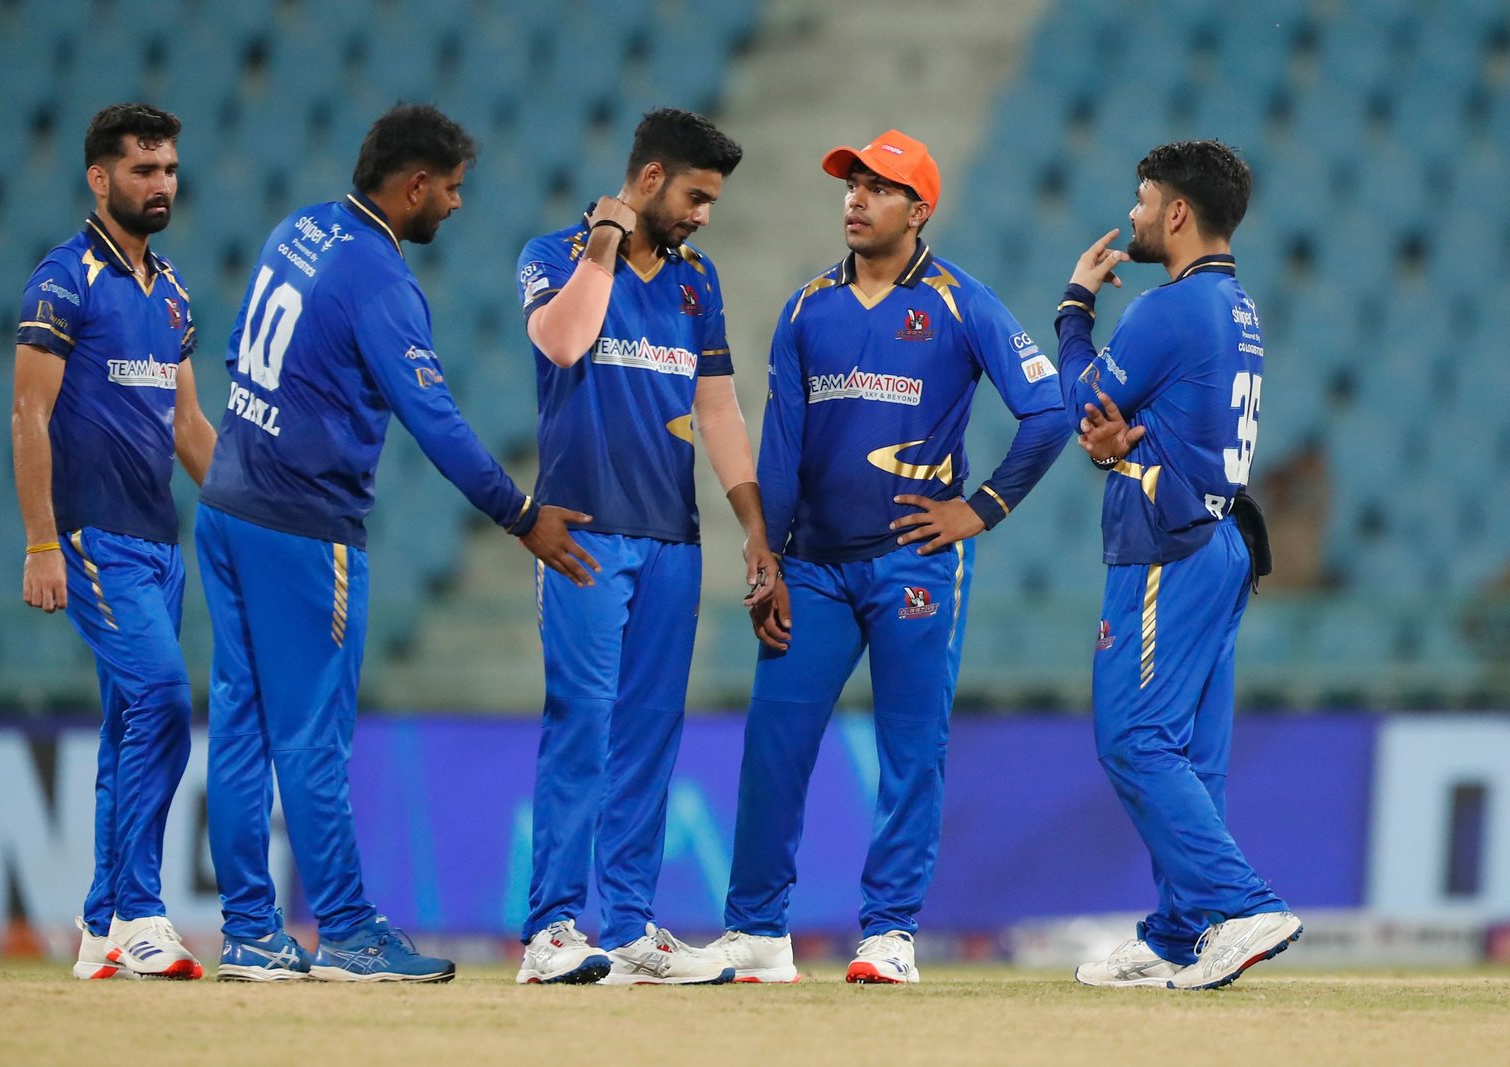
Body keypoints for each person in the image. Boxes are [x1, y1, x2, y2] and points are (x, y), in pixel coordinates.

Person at [196, 104, 594, 983]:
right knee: (309, 734)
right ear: (414, 184)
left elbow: (236, 355)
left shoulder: (298, 228)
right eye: (450, 189)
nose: (454, 205)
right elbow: (436, 421)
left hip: (227, 503)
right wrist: (520, 513)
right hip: (302, 529)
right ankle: (344, 931)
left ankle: (251, 932)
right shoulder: (379, 278)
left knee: (239, 725)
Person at [710, 130, 1071, 984]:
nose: (857, 200)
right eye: (851, 185)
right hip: (814, 569)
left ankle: (889, 934)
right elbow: (783, 444)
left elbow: (1049, 410)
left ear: (919, 209)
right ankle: (757, 930)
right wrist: (766, 549)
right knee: (775, 741)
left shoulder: (958, 301)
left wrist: (980, 509)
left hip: (914, 563)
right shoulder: (806, 309)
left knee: (912, 747)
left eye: (879, 187)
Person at [513, 108, 775, 986]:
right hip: (584, 534)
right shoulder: (554, 255)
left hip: (671, 538)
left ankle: (627, 927)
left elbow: (720, 411)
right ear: (651, 177)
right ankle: (551, 928)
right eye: (697, 196)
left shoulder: (699, 284)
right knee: (581, 724)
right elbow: (561, 340)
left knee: (650, 734)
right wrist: (602, 246)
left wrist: (753, 526)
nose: (704, 214)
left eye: (714, 201)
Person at [1055, 140, 1301, 991]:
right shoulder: (1237, 307)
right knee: (1191, 752)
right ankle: (1178, 931)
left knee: (1134, 739)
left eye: (1141, 198)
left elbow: (1080, 403)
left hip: (1168, 549)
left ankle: (1241, 904)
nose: (1132, 215)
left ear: (1178, 213)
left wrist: (1075, 306)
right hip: (1220, 537)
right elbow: (1128, 427)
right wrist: (1118, 440)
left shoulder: (1169, 308)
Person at [12, 103, 215, 980]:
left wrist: (262, 512)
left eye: (168, 168)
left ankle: (99, 928)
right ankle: (141, 911)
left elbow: (191, 424)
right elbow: (29, 411)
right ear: (100, 178)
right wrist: (42, 542)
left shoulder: (168, 290)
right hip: (94, 537)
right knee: (166, 698)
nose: (161, 183)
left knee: (131, 723)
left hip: (159, 542)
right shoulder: (63, 280)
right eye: (143, 169)